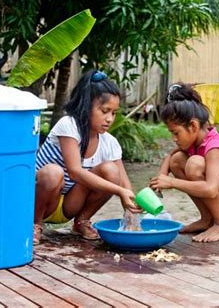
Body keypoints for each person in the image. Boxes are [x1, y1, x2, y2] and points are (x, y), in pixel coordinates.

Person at [33, 70, 142, 244]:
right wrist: (119, 191)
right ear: (86, 105)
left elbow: (124, 183)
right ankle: (35, 225)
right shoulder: (68, 126)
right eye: (105, 111)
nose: (109, 119)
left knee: (112, 172)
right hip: (38, 202)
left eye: (113, 113)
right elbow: (75, 172)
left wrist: (132, 213)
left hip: (69, 205)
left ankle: (81, 221)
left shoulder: (110, 143)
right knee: (53, 172)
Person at [149, 83, 219, 243]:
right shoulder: (197, 142)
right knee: (177, 160)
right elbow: (172, 156)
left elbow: (210, 189)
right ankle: (207, 219)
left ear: (193, 126)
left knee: (194, 164)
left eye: (176, 133)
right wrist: (162, 175)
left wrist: (172, 182)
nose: (174, 138)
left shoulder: (215, 146)